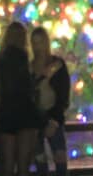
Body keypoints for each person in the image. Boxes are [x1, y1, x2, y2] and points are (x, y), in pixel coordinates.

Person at [0, 23, 40, 176]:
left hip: (6, 115)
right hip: (26, 115)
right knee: (24, 167)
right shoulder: (27, 62)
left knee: (6, 165)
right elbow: (33, 91)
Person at [30, 27, 70, 176]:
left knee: (60, 163)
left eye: (40, 42)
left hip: (54, 118)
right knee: (40, 164)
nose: (37, 47)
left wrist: (54, 120)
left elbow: (63, 96)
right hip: (35, 121)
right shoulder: (30, 67)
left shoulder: (57, 65)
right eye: (34, 43)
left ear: (46, 43)